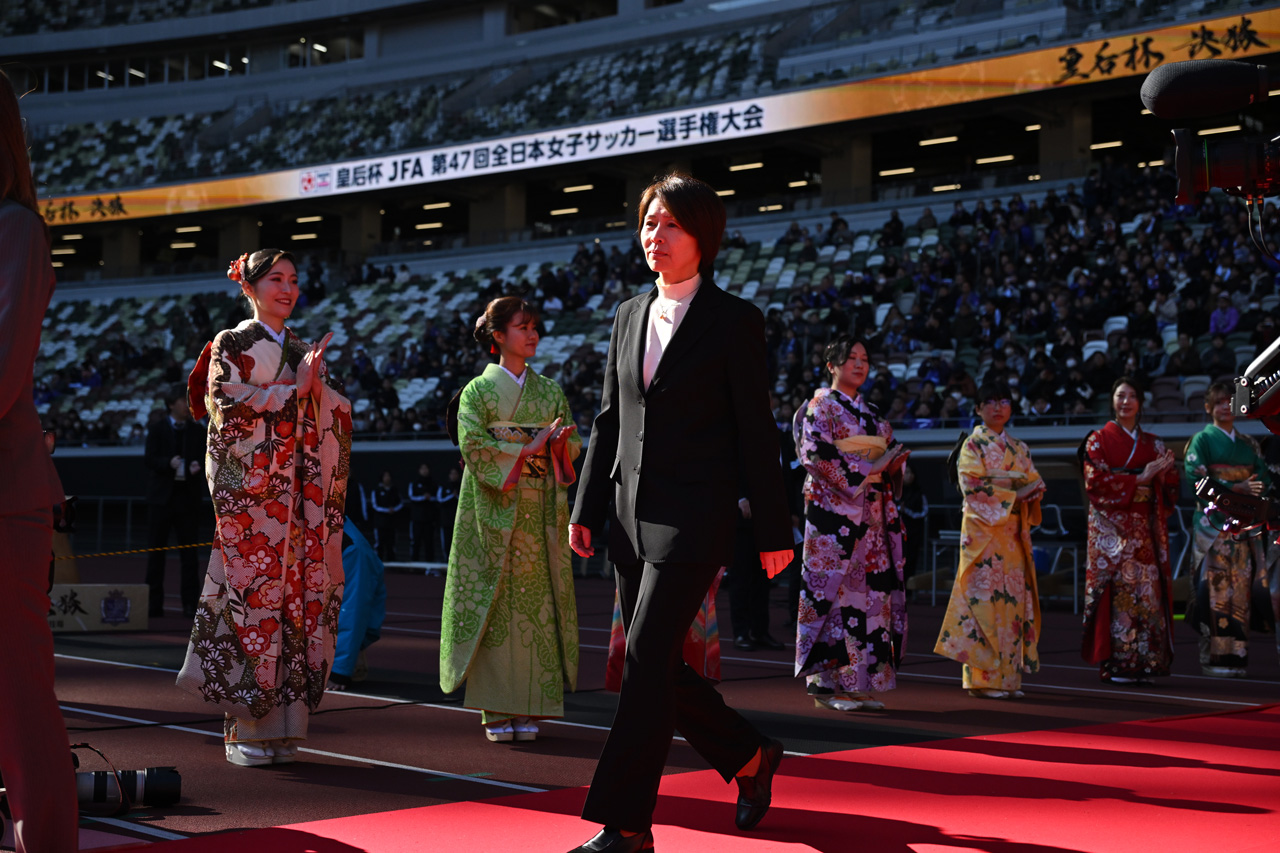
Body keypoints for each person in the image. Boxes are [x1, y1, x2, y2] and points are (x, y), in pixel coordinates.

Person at [567, 175, 793, 853]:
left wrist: (775, 528)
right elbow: (609, 418)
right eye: (647, 224)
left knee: (642, 657)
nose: (654, 237)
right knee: (660, 664)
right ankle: (751, 755)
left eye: (669, 225)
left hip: (696, 518)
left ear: (704, 236)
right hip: (629, 516)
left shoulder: (735, 320)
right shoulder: (628, 314)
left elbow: (757, 427)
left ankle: (628, 825)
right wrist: (585, 505)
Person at [175, 248, 351, 766]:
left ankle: (286, 729)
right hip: (256, 500)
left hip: (298, 499)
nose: (288, 289)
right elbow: (225, 408)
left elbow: (332, 414)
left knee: (297, 603)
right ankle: (245, 729)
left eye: (294, 279)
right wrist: (292, 392)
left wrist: (318, 393)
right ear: (248, 287)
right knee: (252, 604)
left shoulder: (300, 346)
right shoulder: (234, 342)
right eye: (275, 279)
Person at [439, 296, 581, 744]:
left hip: (539, 512)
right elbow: (473, 446)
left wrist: (560, 445)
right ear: (498, 336)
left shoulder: (550, 390)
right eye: (523, 327)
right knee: (496, 605)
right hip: (494, 511)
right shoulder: (477, 393)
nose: (533, 334)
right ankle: (496, 708)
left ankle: (530, 705)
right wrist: (529, 449)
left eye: (535, 326)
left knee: (536, 606)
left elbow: (572, 447)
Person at [0, 67, 78, 853]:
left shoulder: (15, 229)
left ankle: (46, 839)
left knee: (17, 690)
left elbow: (2, 367)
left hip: (3, 494)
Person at [795, 335, 909, 712]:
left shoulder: (873, 413)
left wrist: (891, 464)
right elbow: (814, 454)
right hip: (833, 516)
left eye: (864, 359)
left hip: (871, 514)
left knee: (872, 599)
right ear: (832, 365)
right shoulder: (819, 406)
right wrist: (866, 468)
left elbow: (889, 452)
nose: (859, 364)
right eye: (851, 358)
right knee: (836, 594)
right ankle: (829, 685)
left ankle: (860, 682)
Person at [935, 381, 1045, 699]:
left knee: (1011, 606)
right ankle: (982, 680)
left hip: (1012, 536)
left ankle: (1009, 680)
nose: (998, 407)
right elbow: (973, 488)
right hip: (983, 536)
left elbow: (1034, 481)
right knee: (984, 604)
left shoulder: (1020, 448)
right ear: (979, 409)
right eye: (990, 402)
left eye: (1004, 401)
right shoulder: (972, 445)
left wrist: (1032, 491)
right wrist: (1019, 492)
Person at [1080, 378, 1179, 684]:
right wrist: (1140, 478)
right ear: (1112, 401)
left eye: (1132, 396)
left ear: (1140, 403)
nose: (1126, 401)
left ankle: (1149, 662)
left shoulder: (1154, 443)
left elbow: (1172, 486)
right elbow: (1094, 482)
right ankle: (1121, 663)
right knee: (1121, 594)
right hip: (1116, 533)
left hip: (1145, 529)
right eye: (1120, 395)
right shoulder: (1098, 439)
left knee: (1147, 593)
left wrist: (1164, 475)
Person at [1184, 382, 1271, 677]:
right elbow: (1197, 481)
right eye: (1219, 402)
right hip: (1213, 526)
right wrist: (1237, 487)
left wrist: (1250, 491)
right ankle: (1213, 658)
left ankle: (1237, 655)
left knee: (1241, 591)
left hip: (1242, 527)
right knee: (1214, 590)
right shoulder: (1201, 441)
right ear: (1208, 407)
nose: (1225, 406)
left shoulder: (1248, 443)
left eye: (1230, 401)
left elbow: (1263, 479)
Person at [143, 383, 208, 618]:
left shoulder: (198, 431)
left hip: (187, 500)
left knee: (189, 556)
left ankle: (191, 604)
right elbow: (149, 459)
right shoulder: (157, 429)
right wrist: (166, 463)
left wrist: (197, 466)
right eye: (183, 400)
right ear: (172, 403)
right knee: (156, 555)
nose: (187, 405)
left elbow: (205, 458)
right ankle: (153, 604)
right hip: (161, 500)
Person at [327, 522, 386, 692]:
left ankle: (345, 660)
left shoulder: (351, 547)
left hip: (332, 640)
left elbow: (353, 610)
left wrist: (340, 670)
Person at [407, 461, 439, 564]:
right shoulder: (414, 483)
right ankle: (414, 564)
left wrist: (430, 498)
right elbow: (411, 497)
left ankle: (430, 565)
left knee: (429, 542)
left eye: (426, 468)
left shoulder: (433, 483)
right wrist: (423, 497)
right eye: (422, 469)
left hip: (429, 519)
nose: (424, 471)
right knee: (416, 542)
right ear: (419, 470)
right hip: (417, 519)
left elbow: (438, 498)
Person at [370, 470, 403, 561]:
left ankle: (392, 564)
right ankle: (378, 563)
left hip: (392, 522)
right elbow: (374, 505)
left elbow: (400, 503)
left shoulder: (395, 490)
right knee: (379, 543)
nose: (387, 478)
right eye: (385, 476)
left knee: (391, 544)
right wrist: (386, 510)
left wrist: (394, 509)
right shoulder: (376, 491)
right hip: (380, 523)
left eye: (388, 476)